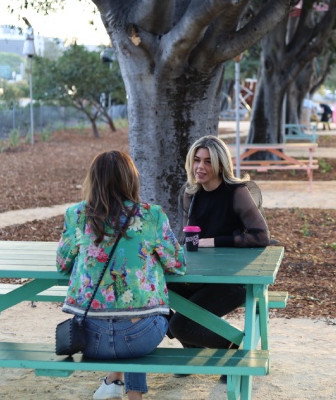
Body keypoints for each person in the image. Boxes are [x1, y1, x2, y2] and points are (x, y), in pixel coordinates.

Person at [56, 150, 186, 400]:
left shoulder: (77, 215)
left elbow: (62, 264)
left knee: (126, 316)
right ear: (131, 179)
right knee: (144, 314)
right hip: (141, 337)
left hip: (89, 338)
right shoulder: (152, 215)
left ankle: (113, 380)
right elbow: (177, 264)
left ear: (92, 179)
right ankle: (131, 393)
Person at [168, 136, 270, 380]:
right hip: (198, 275)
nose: (200, 167)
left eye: (207, 162)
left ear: (221, 165)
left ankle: (231, 350)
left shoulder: (237, 192)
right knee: (154, 293)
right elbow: (187, 238)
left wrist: (213, 241)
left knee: (180, 325)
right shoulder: (190, 194)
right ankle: (191, 350)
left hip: (232, 280)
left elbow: (261, 236)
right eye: (196, 160)